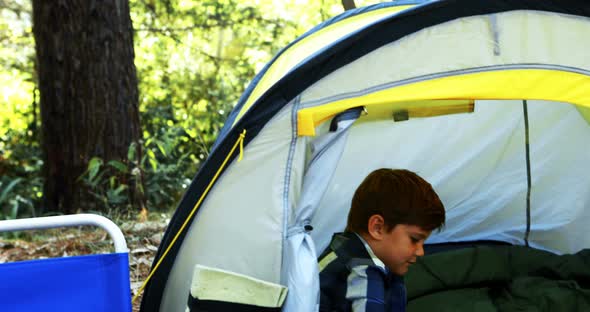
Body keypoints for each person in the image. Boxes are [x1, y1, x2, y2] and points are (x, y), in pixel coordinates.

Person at [318, 168, 445, 312]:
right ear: (378, 227)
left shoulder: (342, 248)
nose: (421, 252)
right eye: (414, 239)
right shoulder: (363, 271)